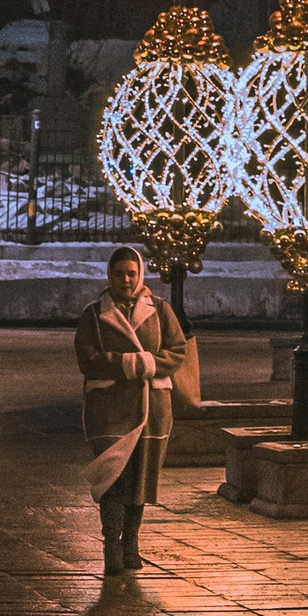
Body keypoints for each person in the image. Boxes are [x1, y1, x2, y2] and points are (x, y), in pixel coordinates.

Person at [75, 247, 199, 579]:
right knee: (112, 477)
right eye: (119, 274)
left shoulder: (160, 310)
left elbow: (177, 351)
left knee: (140, 479)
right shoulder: (94, 314)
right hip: (109, 410)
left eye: (131, 273)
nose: (126, 280)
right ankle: (111, 546)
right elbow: (88, 358)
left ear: (140, 274)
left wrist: (144, 364)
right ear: (109, 275)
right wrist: (134, 364)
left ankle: (131, 544)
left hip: (152, 408)